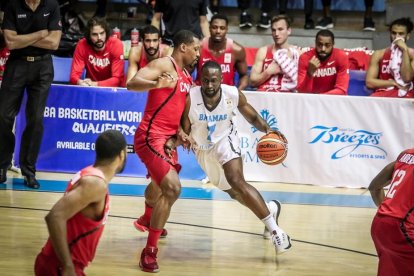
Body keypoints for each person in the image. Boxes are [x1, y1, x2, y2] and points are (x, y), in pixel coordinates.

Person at [181, 60, 292, 251]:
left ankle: (277, 232)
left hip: (226, 141)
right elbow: (183, 129)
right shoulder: (191, 97)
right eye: (205, 80)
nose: (209, 85)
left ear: (221, 79)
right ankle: (271, 208)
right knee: (234, 193)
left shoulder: (232, 93)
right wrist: (180, 139)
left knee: (237, 181)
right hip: (203, 149)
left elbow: (253, 117)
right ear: (200, 80)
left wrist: (267, 130)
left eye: (213, 81)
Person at [126, 30, 200, 273]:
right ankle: (149, 252)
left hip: (167, 140)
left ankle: (148, 218)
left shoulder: (187, 78)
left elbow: (175, 113)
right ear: (183, 48)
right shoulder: (162, 64)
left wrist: (181, 133)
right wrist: (157, 82)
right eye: (195, 48)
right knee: (172, 187)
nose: (198, 54)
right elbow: (131, 83)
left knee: (159, 186)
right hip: (149, 137)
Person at [34, 130, 127, 276]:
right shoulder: (95, 184)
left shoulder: (91, 175)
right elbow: (54, 216)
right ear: (121, 155)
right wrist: (67, 266)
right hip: (59, 268)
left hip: (57, 264)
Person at [0, 0, 62, 188]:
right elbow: (10, 42)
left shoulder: (52, 5)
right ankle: (2, 166)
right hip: (17, 64)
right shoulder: (12, 5)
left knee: (35, 119)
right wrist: (40, 33)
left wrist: (23, 38)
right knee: (3, 116)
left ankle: (29, 170)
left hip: (43, 67)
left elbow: (54, 43)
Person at [369, 148, 414, 276]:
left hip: (379, 224)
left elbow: (374, 187)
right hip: (403, 228)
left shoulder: (406, 155)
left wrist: (388, 212)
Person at [196, 14, 249, 90]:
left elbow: (244, 76)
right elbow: (186, 72)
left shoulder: (237, 50)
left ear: (227, 29)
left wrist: (237, 92)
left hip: (226, 95)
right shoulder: (198, 48)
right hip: (201, 92)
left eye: (222, 28)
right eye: (214, 27)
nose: (218, 31)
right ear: (209, 28)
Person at [250, 15, 301, 92]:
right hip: (264, 96)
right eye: (274, 30)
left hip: (287, 98)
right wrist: (268, 72)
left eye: (280, 29)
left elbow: (303, 84)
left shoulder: (298, 53)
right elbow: (252, 82)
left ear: (289, 31)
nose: (276, 34)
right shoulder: (263, 51)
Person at [69, 17, 125, 87]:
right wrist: (79, 82)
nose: (99, 38)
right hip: (92, 89)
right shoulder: (82, 45)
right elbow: (74, 75)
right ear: (89, 36)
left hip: (114, 91)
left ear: (106, 33)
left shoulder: (116, 44)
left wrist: (95, 84)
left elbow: (117, 79)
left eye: (102, 33)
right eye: (94, 34)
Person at [366, 17, 414, 98]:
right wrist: (393, 83)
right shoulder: (378, 54)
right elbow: (369, 82)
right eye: (394, 33)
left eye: (401, 34)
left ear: (408, 36)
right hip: (383, 94)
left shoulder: (412, 54)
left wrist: (405, 50)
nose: (396, 37)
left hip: (406, 95)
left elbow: (407, 78)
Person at [297, 29, 349, 95]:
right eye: (319, 44)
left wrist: (320, 98)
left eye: (327, 45)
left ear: (333, 44)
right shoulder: (305, 58)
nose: (323, 49)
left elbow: (341, 90)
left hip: (333, 101)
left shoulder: (341, 56)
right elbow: (302, 92)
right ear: (315, 43)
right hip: (311, 102)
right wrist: (309, 74)